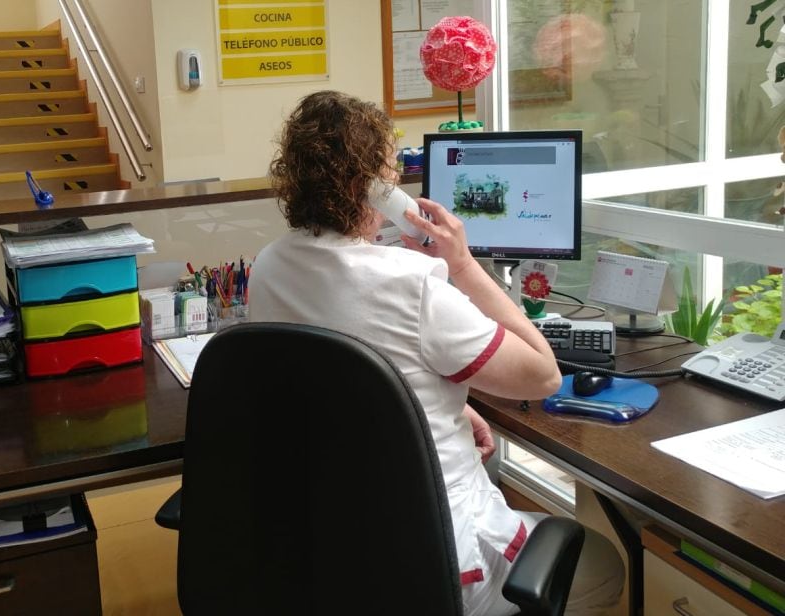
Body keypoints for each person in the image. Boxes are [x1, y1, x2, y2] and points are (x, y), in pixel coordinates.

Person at [248, 90, 623, 616]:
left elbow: (332, 375)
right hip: (439, 566)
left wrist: (439, 408)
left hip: (328, 552)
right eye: (390, 173)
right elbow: (543, 375)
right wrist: (464, 266)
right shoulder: (414, 281)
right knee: (606, 564)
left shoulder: (270, 265)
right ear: (371, 188)